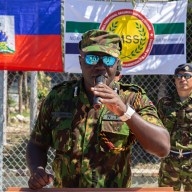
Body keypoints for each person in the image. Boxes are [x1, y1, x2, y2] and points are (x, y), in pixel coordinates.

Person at [26, 29, 170, 189]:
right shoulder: (58, 97)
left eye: (108, 60)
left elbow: (162, 147)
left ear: (118, 64)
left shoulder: (132, 98)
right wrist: (37, 170)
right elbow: (37, 144)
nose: (100, 66)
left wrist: (124, 111)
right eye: (92, 58)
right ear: (81, 61)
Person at [157, 63, 192, 192]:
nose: (183, 79)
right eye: (179, 76)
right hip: (170, 160)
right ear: (175, 79)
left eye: (187, 76)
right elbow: (157, 129)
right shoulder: (164, 103)